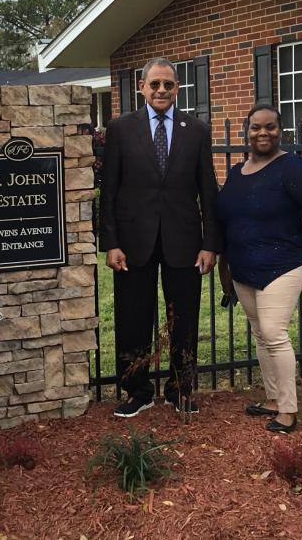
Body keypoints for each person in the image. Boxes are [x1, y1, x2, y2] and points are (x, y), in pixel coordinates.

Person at [100, 57, 220, 418]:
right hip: (133, 242)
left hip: (184, 241)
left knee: (183, 318)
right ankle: (137, 391)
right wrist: (111, 242)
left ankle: (180, 389)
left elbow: (208, 190)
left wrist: (210, 243)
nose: (161, 90)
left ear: (178, 88)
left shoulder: (196, 130)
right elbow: (109, 190)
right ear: (142, 87)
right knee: (132, 318)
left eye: (168, 84)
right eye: (155, 84)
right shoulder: (120, 128)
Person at [216, 105, 302, 433]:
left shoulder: (290, 167)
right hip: (244, 266)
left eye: (270, 127)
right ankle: (272, 399)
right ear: (246, 131)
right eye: (255, 127)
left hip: (283, 263)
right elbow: (226, 216)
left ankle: (289, 409)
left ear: (280, 131)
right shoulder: (237, 173)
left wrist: (297, 236)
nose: (262, 133)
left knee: (273, 333)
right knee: (260, 333)